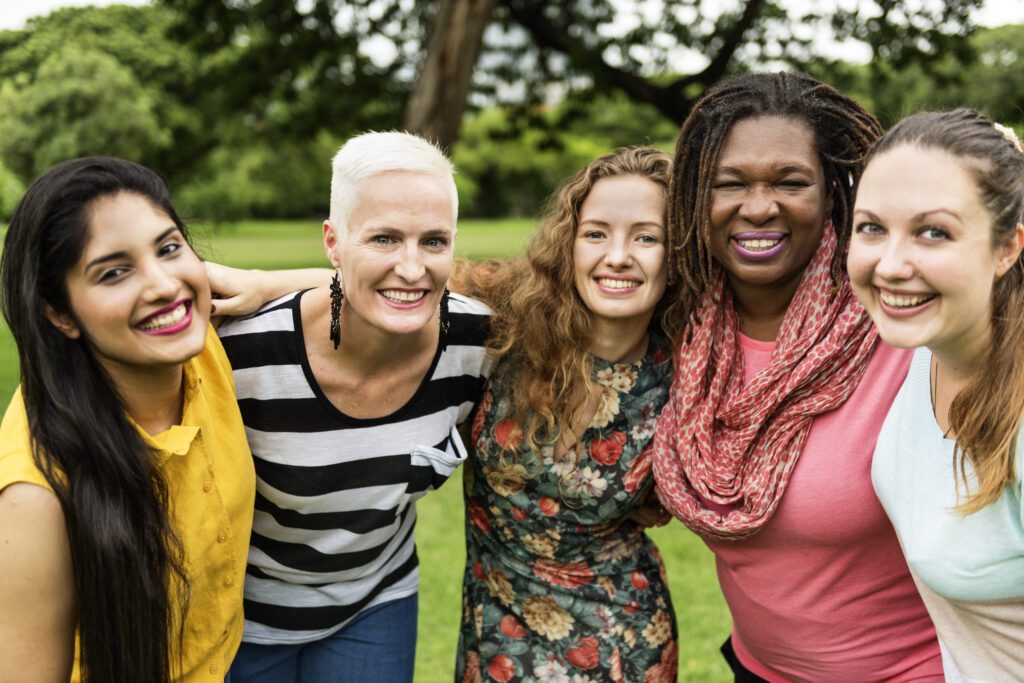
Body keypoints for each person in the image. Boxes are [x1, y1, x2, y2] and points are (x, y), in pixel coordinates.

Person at [651, 72, 944, 681]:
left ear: (835, 191)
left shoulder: (903, 330)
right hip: (759, 669)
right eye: (728, 184)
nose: (758, 207)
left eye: (790, 182)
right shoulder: (680, 328)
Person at [216, 131, 492, 682]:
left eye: (433, 241)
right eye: (384, 238)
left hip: (376, 604)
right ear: (333, 241)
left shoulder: (477, 345)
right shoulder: (242, 354)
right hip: (242, 620)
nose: (413, 268)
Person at [0, 156, 255, 681]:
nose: (163, 285)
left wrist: (262, 282)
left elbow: (356, 287)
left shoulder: (199, 337)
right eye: (114, 272)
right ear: (59, 314)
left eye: (168, 248)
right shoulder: (33, 497)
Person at [453, 147, 683, 682]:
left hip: (621, 631)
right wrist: (261, 283)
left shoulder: (686, 372)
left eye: (646, 237)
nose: (618, 256)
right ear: (569, 245)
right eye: (597, 233)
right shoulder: (509, 314)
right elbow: (394, 287)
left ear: (678, 257)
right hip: (495, 628)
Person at [848, 108, 1024, 680]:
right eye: (871, 227)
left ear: (1006, 248)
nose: (891, 265)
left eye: (934, 232)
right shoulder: (923, 346)